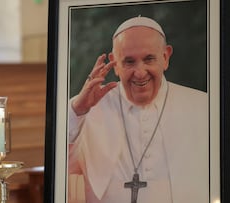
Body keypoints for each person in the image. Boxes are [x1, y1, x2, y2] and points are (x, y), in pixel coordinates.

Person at [68, 16, 208, 203]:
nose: (140, 72)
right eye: (129, 62)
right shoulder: (88, 108)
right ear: (114, 63)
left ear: (165, 57)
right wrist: (78, 111)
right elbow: (64, 167)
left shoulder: (202, 106)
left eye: (149, 59)